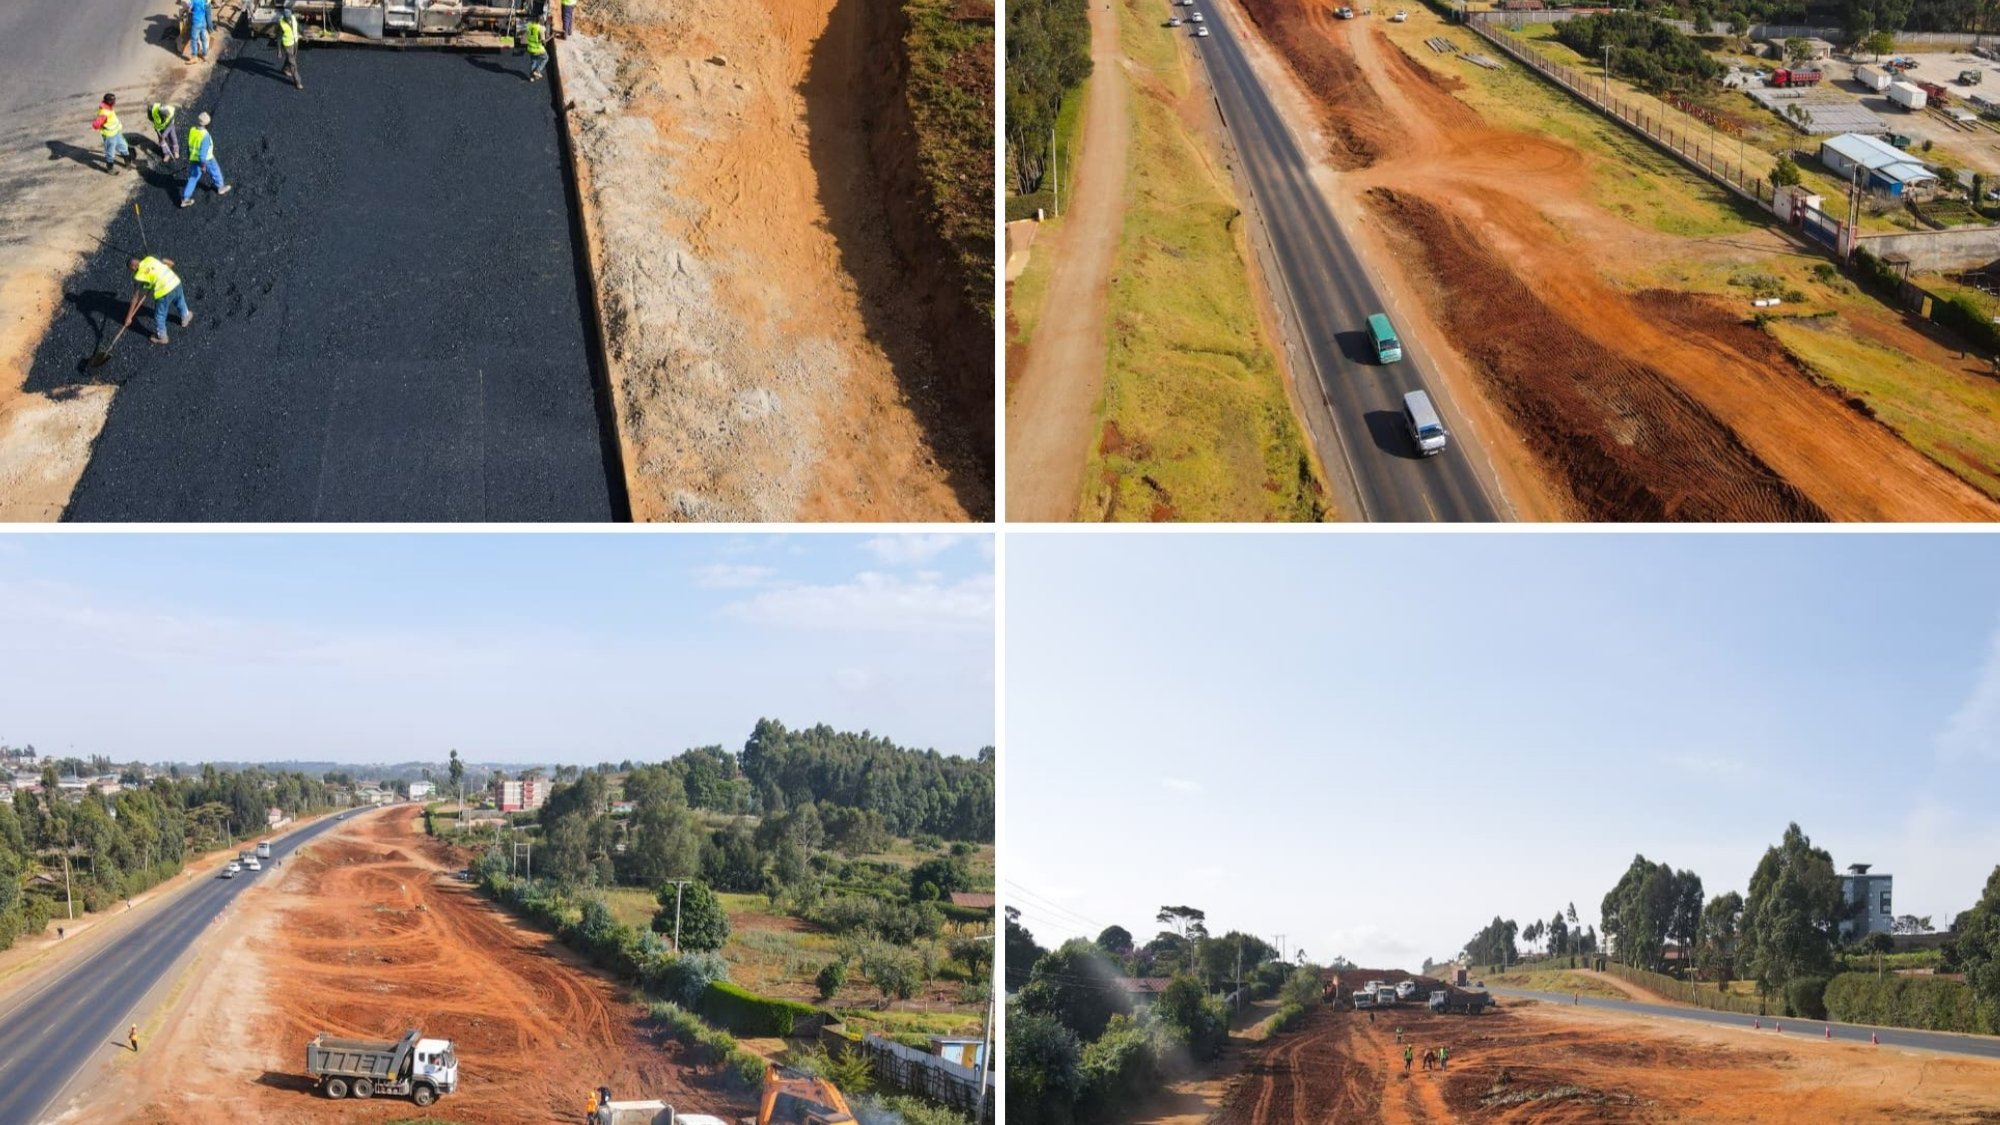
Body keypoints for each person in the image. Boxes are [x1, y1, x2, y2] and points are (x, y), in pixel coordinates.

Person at [124, 255, 192, 345]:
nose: (132, 272)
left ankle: (162, 337)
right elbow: (171, 263)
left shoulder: (139, 276)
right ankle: (185, 316)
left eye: (131, 270)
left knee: (159, 315)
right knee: (179, 300)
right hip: (175, 282)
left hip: (164, 291)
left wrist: (129, 317)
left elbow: (135, 298)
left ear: (133, 267)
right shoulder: (150, 259)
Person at [181, 113, 232, 207]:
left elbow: (189, 145)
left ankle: (185, 198)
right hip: (207, 159)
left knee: (192, 178)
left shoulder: (192, 130)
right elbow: (202, 155)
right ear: (206, 124)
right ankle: (220, 187)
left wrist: (189, 156)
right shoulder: (205, 136)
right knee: (215, 170)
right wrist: (203, 166)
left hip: (193, 158)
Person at [93, 94, 133, 174]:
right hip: (109, 136)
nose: (115, 101)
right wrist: (102, 127)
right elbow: (96, 124)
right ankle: (110, 169)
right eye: (113, 100)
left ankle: (128, 164)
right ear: (109, 101)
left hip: (116, 133)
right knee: (110, 152)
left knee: (124, 146)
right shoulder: (104, 113)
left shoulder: (108, 107)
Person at [276, 6, 304, 89]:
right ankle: (297, 81)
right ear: (284, 17)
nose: (288, 19)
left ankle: (286, 69)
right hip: (287, 45)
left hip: (295, 42)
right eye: (286, 18)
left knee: (292, 58)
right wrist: (279, 50)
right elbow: (279, 37)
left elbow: (297, 26)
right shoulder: (281, 24)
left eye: (289, 17)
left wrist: (303, 33)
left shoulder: (293, 18)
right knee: (293, 63)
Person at [525, 16, 550, 81]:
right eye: (542, 21)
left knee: (533, 62)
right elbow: (543, 42)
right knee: (546, 58)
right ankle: (537, 71)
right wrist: (550, 37)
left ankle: (532, 77)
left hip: (530, 48)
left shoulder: (530, 26)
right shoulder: (540, 29)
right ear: (540, 21)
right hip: (538, 48)